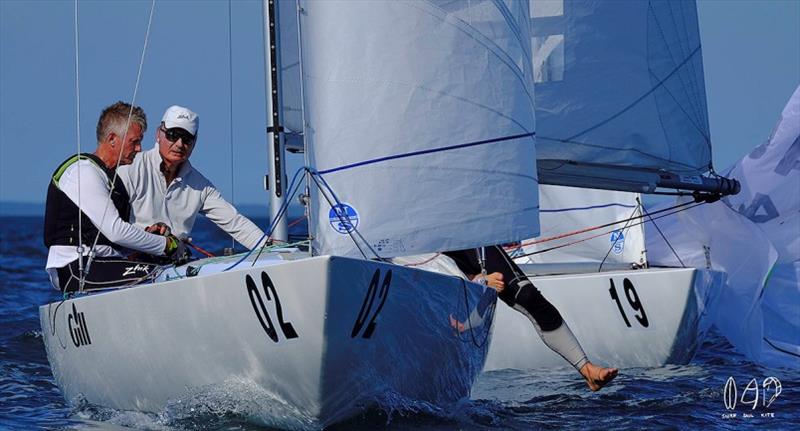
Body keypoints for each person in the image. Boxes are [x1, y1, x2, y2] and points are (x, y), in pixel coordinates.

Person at [44, 102, 185, 292]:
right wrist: (166, 245)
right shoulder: (83, 172)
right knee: (162, 275)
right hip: (74, 268)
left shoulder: (112, 180)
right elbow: (116, 231)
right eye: (134, 142)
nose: (139, 149)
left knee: (175, 267)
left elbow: (112, 240)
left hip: (103, 262)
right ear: (112, 139)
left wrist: (149, 236)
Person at [444, 246, 618, 391]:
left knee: (528, 295)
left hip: (465, 231)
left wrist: (479, 280)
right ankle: (466, 323)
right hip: (426, 246)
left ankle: (587, 371)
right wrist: (480, 282)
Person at [118, 105, 265, 251]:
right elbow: (110, 223)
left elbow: (235, 222)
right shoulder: (130, 168)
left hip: (173, 262)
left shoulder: (201, 186)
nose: (179, 144)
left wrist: (269, 247)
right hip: (130, 259)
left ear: (195, 142)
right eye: (173, 135)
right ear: (158, 134)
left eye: (187, 139)